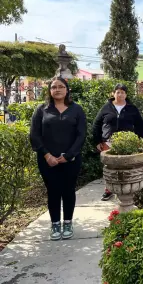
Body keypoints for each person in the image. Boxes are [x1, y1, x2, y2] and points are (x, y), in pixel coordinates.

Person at [30, 77, 87, 240]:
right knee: (53, 191)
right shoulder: (41, 110)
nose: (57, 89)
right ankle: (55, 224)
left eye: (61, 87)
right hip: (47, 160)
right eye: (54, 87)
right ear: (49, 90)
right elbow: (35, 135)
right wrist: (47, 155)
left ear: (67, 89)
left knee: (68, 191)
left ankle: (68, 222)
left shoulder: (77, 110)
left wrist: (68, 156)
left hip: (71, 160)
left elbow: (81, 134)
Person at [93, 83, 143, 201]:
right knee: (109, 167)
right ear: (113, 93)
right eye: (118, 92)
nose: (120, 94)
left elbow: (140, 125)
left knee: (126, 166)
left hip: (127, 143)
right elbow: (96, 124)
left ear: (126, 95)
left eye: (122, 92)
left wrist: (139, 140)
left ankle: (127, 189)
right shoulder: (106, 107)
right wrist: (97, 140)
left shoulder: (132, 108)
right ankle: (108, 189)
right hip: (108, 142)